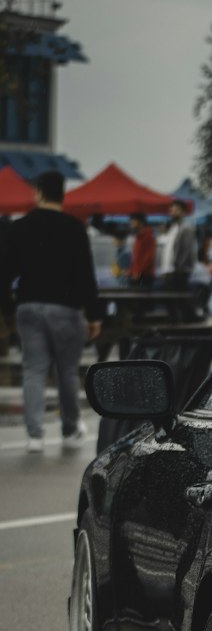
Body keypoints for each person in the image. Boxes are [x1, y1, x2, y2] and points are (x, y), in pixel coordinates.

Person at [2, 170, 102, 452]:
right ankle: (69, 428)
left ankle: (34, 436)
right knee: (67, 371)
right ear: (62, 193)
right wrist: (94, 314)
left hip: (29, 306)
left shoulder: (18, 227)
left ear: (38, 192)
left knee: (33, 369)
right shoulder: (74, 228)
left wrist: (8, 310)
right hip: (65, 308)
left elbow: (4, 273)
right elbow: (86, 275)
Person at [160, 199, 197, 289]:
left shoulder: (186, 228)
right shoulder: (172, 228)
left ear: (183, 212)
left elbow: (186, 249)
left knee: (177, 298)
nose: (173, 213)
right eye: (172, 211)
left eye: (176, 210)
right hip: (168, 270)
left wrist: (178, 268)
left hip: (179, 271)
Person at [128, 212, 157, 288]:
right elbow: (136, 257)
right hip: (137, 274)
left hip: (144, 275)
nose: (130, 224)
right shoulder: (138, 236)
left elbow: (149, 256)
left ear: (140, 223)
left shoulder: (148, 236)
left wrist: (138, 271)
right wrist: (131, 271)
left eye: (133, 221)